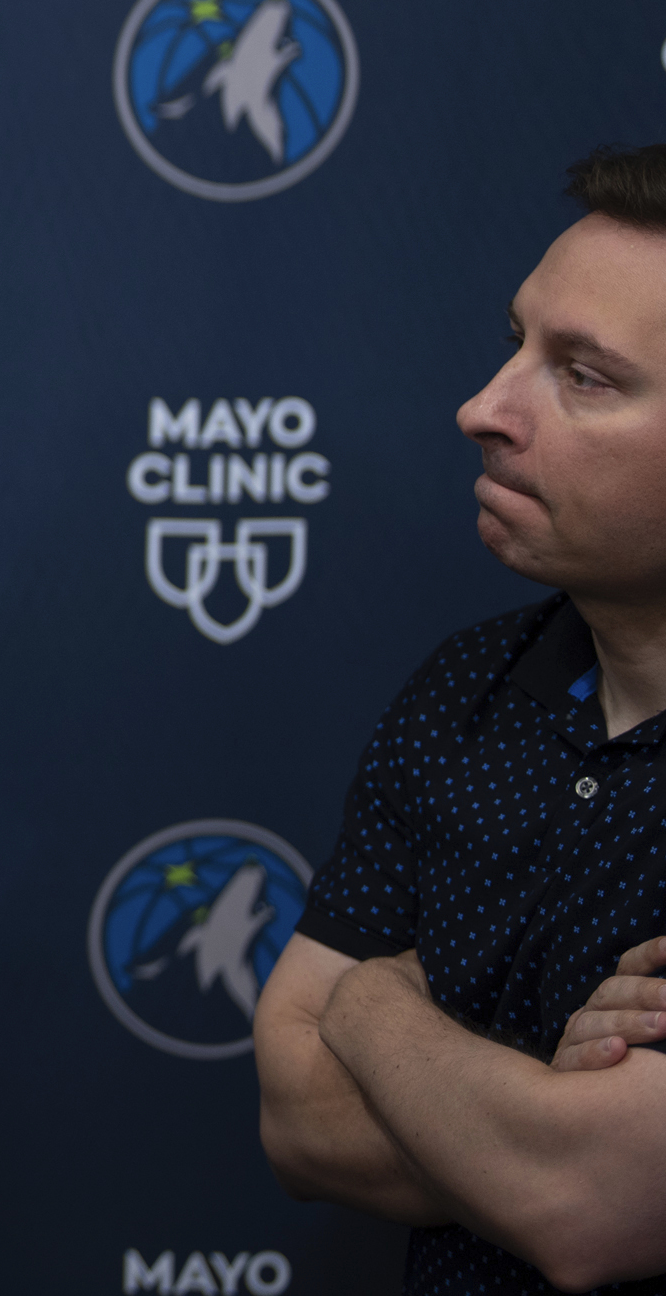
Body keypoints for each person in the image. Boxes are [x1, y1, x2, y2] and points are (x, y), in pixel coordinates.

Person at [258, 142, 666, 1289]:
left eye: (584, 375)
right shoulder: (468, 685)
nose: (482, 409)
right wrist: (538, 1115)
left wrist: (375, 1001)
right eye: (515, 345)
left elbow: (593, 1204)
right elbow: (293, 1108)